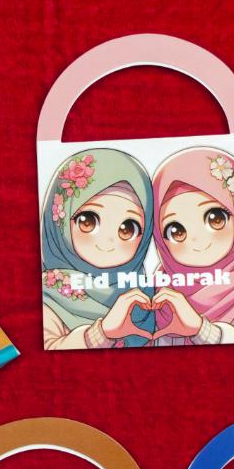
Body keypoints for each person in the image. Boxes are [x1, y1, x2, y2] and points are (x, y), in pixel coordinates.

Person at [40, 148, 155, 349]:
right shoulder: (50, 296)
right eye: (88, 221)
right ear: (60, 221)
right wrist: (101, 333)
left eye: (128, 228)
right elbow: (48, 354)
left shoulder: (147, 294)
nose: (107, 242)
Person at [149, 148, 234, 345]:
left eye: (215, 218)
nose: (198, 241)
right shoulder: (159, 290)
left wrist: (201, 329)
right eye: (176, 231)